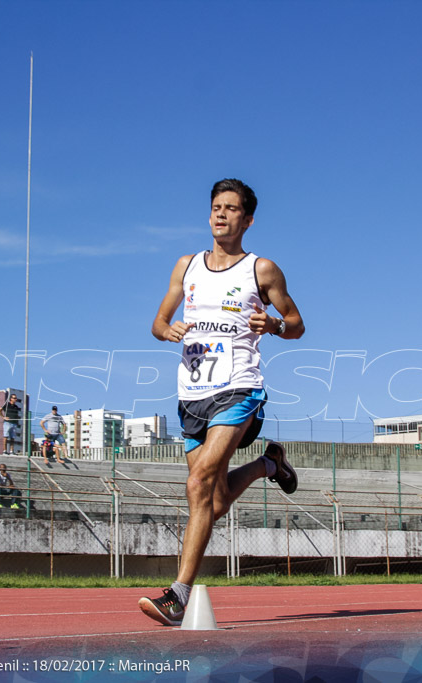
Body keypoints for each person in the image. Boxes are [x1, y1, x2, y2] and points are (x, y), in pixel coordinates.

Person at [139, 178, 305, 626]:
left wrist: (272, 325)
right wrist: (165, 329)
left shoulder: (262, 270)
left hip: (239, 387)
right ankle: (270, 465)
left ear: (247, 220)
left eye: (231, 208)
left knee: (198, 486)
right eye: (216, 206)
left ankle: (177, 596)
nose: (221, 214)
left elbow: (296, 324)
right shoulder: (186, 266)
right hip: (191, 394)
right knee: (212, 501)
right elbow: (158, 320)